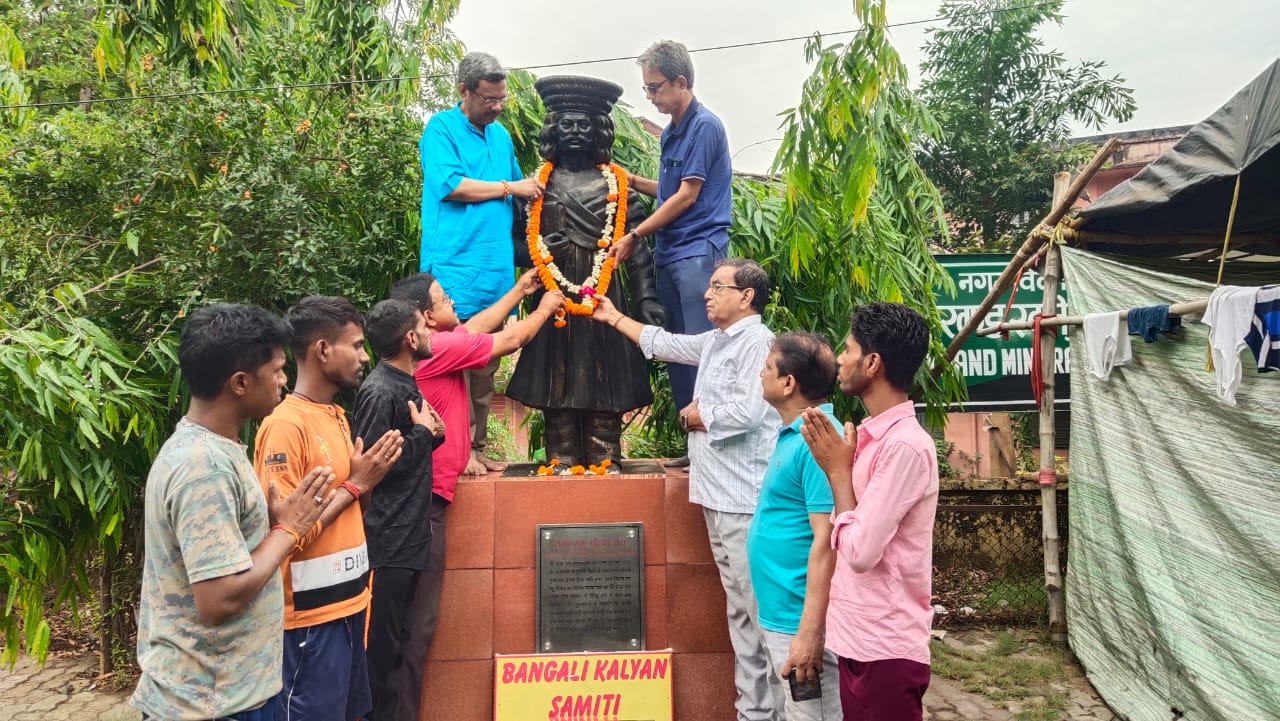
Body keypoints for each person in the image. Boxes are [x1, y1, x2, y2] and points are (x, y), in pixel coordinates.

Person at [592, 258, 785, 721]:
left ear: (747, 297)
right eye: (710, 285)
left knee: (761, 612)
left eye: (719, 286)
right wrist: (614, 317)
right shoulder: (719, 340)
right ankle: (754, 711)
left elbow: (750, 412)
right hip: (716, 496)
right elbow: (669, 344)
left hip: (744, 497)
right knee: (740, 610)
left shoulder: (758, 343)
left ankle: (782, 710)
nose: (707, 293)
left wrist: (698, 415)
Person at [131, 303, 334, 721]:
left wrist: (273, 526)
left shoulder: (220, 446)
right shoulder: (201, 467)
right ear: (241, 382)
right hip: (208, 703)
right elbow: (218, 598)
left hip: (235, 693)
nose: (284, 380)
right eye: (277, 370)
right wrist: (290, 530)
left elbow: (230, 559)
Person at [386, 270, 562, 685]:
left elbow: (475, 329)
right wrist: (542, 310)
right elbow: (508, 340)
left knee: (414, 622)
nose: (452, 303)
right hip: (424, 500)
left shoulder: (439, 342)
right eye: (443, 299)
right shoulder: (438, 349)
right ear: (426, 318)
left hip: (430, 491)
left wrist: (518, 290)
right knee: (417, 624)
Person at [253, 296, 404, 721]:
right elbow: (284, 532)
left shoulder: (337, 415)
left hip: (352, 605)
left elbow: (352, 507)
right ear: (322, 350)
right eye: (355, 345)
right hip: (308, 621)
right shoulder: (286, 425)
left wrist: (364, 483)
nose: (364, 356)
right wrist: (355, 485)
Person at [506, 74, 666, 468]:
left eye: (584, 125)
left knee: (606, 376)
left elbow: (639, 249)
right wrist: (540, 252)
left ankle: (605, 453)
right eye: (567, 124)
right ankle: (560, 455)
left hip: (604, 297)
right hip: (554, 299)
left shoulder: (617, 183)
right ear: (553, 130)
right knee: (555, 378)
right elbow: (511, 246)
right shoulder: (537, 185)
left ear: (599, 131)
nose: (575, 132)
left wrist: (647, 299)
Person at [798, 303, 940, 721]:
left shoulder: (905, 446)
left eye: (848, 349)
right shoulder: (871, 437)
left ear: (873, 362)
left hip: (887, 648)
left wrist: (839, 473)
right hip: (857, 638)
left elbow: (860, 553)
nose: (840, 360)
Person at [419, 50, 544, 477]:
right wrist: (511, 185)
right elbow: (451, 185)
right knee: (452, 361)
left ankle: (475, 447)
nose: (496, 106)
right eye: (489, 99)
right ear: (464, 91)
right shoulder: (440, 128)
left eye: (501, 99)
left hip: (494, 271)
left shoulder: (502, 136)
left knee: (485, 365)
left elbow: (521, 194)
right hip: (453, 267)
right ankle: (452, 451)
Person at [611, 40, 734, 469]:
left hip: (699, 253)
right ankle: (694, 447)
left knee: (704, 349)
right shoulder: (671, 134)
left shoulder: (704, 126)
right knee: (677, 352)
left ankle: (714, 447)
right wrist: (629, 180)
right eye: (646, 89)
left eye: (656, 87)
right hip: (672, 254)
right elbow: (666, 191)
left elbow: (686, 196)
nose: (651, 97)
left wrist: (635, 235)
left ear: (681, 82)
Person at [353, 299, 447, 721]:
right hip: (387, 543)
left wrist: (431, 435)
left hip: (411, 538)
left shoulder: (405, 382)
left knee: (399, 651)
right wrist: (423, 436)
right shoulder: (379, 389)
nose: (430, 332)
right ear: (410, 338)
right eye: (423, 328)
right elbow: (375, 468)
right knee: (380, 660)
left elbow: (409, 448)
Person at [747, 332, 843, 721]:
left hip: (798, 619)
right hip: (780, 613)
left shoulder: (819, 438)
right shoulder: (795, 434)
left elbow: (830, 539)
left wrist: (809, 633)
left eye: (767, 368)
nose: (760, 374)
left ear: (788, 383)